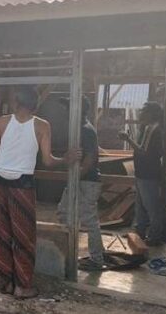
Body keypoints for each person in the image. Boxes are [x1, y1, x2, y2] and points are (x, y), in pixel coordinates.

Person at [0, 87, 79, 299]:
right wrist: (66, 160)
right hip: (22, 183)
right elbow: (48, 160)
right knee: (24, 235)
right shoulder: (42, 125)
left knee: (0, 232)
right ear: (35, 105)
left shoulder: (3, 121)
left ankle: (5, 282)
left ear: (16, 102)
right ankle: (22, 286)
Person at [56, 96, 105, 271]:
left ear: (78, 110)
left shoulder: (86, 130)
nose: (65, 112)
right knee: (64, 212)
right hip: (81, 180)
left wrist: (75, 178)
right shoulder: (80, 129)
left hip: (86, 182)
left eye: (68, 108)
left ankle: (97, 259)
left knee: (89, 220)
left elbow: (89, 161)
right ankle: (71, 250)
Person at [119, 102, 165, 246]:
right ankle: (140, 233)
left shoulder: (153, 129)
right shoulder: (149, 128)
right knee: (141, 205)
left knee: (150, 206)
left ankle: (154, 236)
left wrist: (128, 139)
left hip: (148, 174)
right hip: (143, 173)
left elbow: (143, 152)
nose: (141, 114)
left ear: (151, 114)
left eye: (144, 112)